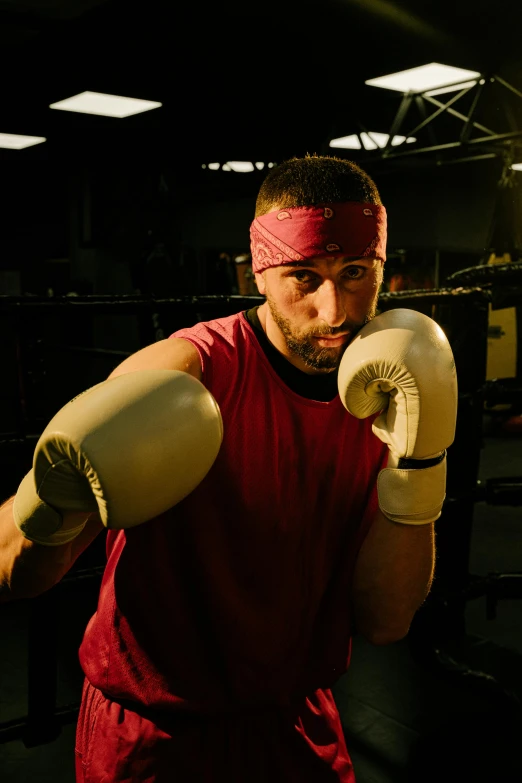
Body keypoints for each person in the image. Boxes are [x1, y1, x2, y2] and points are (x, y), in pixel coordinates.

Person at [0, 154, 458, 782]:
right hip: (155, 735)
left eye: (356, 273)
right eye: (304, 276)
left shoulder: (390, 390)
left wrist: (419, 460)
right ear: (259, 273)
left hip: (297, 721)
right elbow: (14, 575)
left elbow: (386, 620)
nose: (336, 312)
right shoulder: (187, 372)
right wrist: (48, 501)